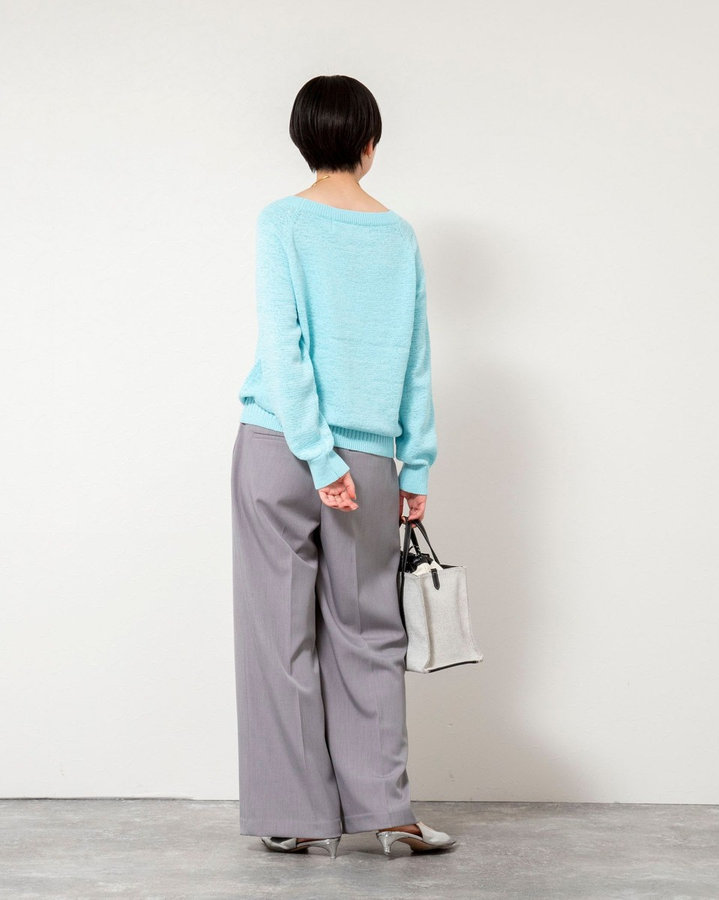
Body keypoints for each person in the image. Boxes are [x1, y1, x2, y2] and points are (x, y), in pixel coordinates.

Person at [231, 74, 457, 859]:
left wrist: (313, 453)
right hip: (368, 456)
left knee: (278, 636)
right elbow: (416, 361)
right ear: (370, 142)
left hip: (276, 446)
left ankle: (297, 817)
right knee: (370, 633)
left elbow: (283, 344)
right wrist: (413, 467)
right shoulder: (397, 234)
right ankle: (389, 815)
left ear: (303, 138)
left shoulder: (281, 221)